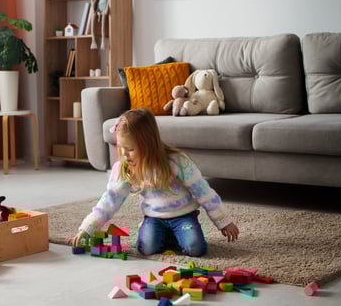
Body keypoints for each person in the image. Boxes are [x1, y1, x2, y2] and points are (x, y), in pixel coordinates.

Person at [71, 108, 239, 256]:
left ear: (149, 145)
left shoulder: (177, 162)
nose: (124, 154)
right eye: (121, 147)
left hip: (183, 216)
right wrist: (88, 228)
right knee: (145, 248)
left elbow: (204, 192)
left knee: (196, 249)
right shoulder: (125, 168)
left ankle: (178, 234)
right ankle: (167, 234)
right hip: (154, 218)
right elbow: (110, 201)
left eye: (130, 149)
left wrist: (224, 221)